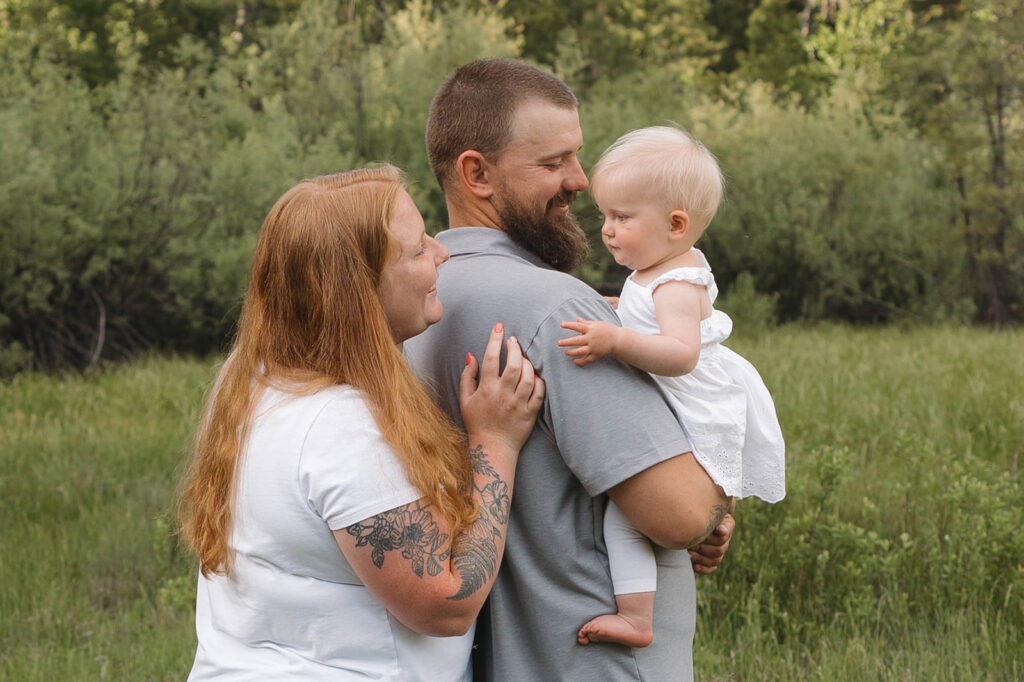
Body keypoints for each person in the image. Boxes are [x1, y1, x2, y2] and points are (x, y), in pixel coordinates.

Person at [403, 58, 734, 682]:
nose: (580, 182)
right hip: (589, 661)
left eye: (576, 157)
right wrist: (721, 500)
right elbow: (680, 513)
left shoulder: (415, 308)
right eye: (553, 163)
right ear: (477, 173)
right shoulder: (555, 309)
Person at [177, 165, 545, 681]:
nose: (441, 252)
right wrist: (496, 441)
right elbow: (447, 603)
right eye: (418, 250)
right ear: (359, 290)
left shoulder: (249, 379)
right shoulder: (342, 428)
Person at [558, 126, 786, 648]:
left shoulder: (677, 282)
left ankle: (638, 618)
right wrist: (614, 312)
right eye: (605, 216)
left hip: (696, 399)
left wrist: (615, 340)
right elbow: (645, 316)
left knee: (628, 519)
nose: (608, 230)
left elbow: (680, 354)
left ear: (676, 224)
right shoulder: (655, 270)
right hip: (687, 399)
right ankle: (712, 524)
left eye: (622, 217)